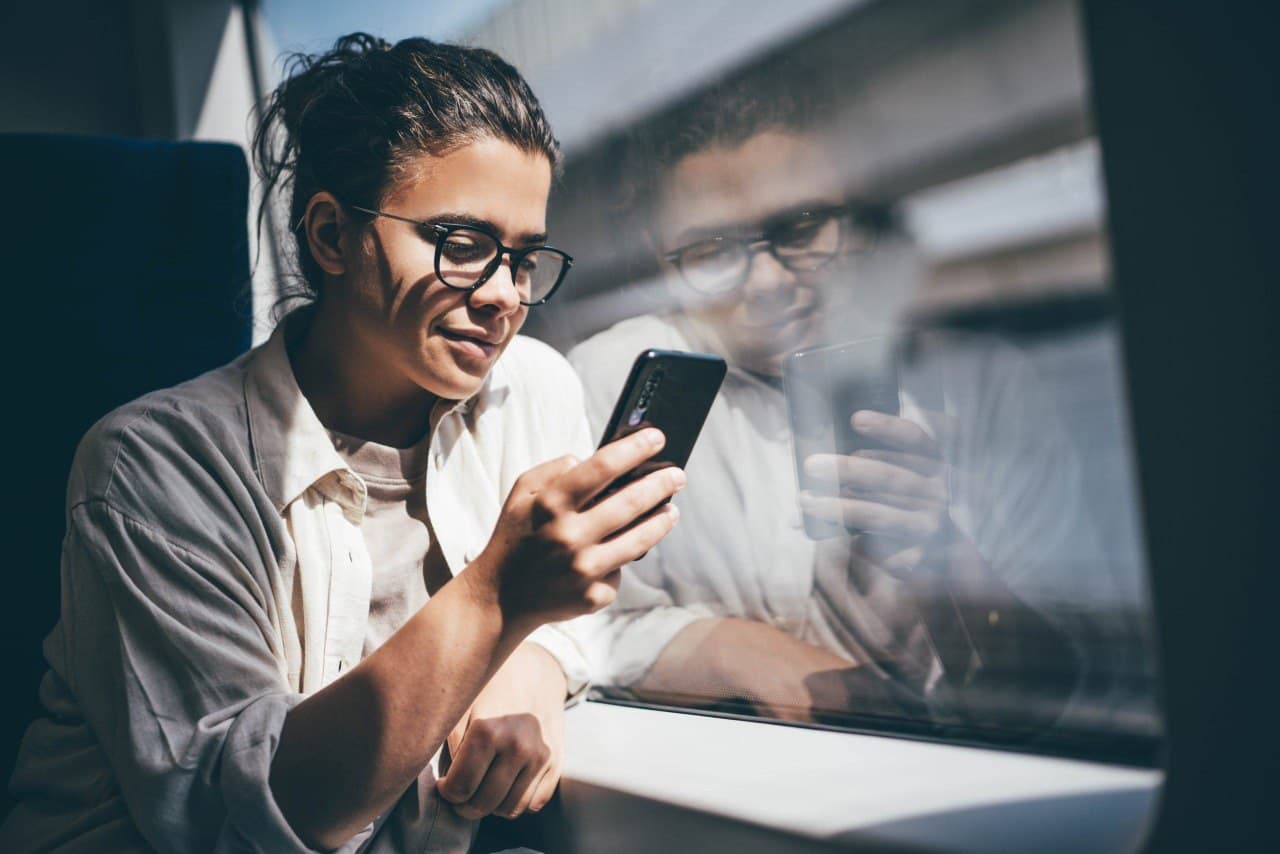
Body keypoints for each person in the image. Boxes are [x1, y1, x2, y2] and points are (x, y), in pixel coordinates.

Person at [1, 34, 684, 853]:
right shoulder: (151, 467)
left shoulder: (530, 390)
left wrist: (533, 662)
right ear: (331, 237)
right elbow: (239, 818)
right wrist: (499, 597)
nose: (504, 294)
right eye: (463, 246)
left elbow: (575, 622)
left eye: (526, 257)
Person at [568, 80, 1098, 733]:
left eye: (799, 228)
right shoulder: (607, 380)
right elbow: (564, 630)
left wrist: (944, 556)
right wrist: (736, 650)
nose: (763, 284)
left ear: (855, 220)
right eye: (711, 251)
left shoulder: (981, 384)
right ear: (658, 254)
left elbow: (1060, 677)